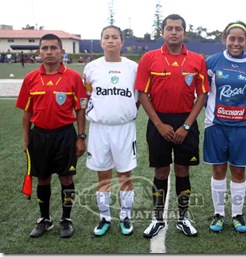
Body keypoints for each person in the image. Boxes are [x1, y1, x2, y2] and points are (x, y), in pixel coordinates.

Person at [134, 14, 210, 238]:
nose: (174, 32)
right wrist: (158, 124)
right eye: (169, 28)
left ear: (184, 32)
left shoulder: (197, 60)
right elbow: (143, 94)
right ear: (162, 32)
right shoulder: (149, 58)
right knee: (161, 170)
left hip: (186, 122)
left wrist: (186, 126)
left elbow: (202, 94)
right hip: (159, 122)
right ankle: (157, 219)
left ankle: (183, 218)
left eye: (178, 28)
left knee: (182, 170)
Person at [15, 33, 87, 238]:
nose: (49, 52)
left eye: (53, 48)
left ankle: (66, 219)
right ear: (39, 52)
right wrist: (26, 138)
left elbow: (80, 109)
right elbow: (26, 112)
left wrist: (81, 137)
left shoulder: (73, 77)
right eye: (45, 48)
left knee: (66, 177)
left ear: (62, 52)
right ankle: (45, 220)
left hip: (65, 135)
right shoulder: (30, 78)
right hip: (40, 136)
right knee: (43, 179)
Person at [203, 21, 246, 233]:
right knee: (218, 169)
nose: (236, 43)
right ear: (225, 39)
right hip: (216, 125)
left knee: (238, 171)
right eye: (232, 38)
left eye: (241, 39)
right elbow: (203, 93)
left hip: (242, 128)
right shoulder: (212, 62)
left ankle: (237, 214)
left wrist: (243, 114)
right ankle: (218, 213)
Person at [83, 25, 139, 237]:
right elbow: (88, 96)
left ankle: (126, 217)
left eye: (115, 37)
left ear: (121, 42)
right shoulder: (91, 68)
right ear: (101, 41)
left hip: (124, 129)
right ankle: (104, 218)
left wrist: (128, 112)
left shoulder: (133, 67)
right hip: (99, 129)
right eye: (106, 37)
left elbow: (138, 97)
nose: (110, 41)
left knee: (125, 175)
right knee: (103, 177)